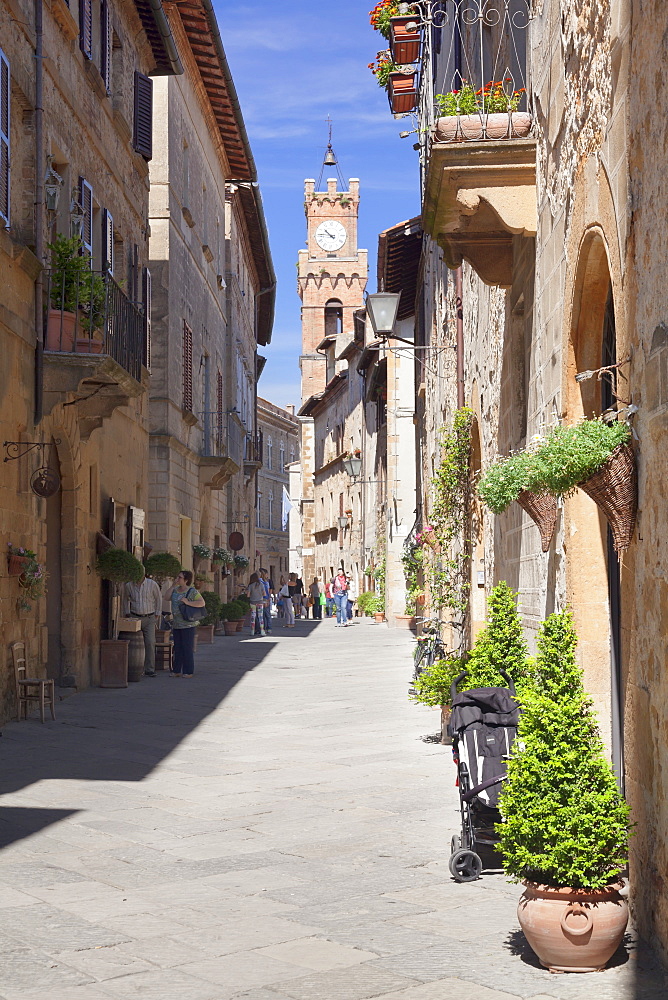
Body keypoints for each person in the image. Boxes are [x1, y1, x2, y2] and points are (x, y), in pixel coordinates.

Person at [164, 571, 205, 676]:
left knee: (187, 648)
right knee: (178, 648)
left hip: (188, 624)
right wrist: (173, 585)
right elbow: (166, 597)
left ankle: (188, 671)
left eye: (180, 577)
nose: (178, 579)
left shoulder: (192, 591)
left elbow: (201, 602)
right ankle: (176, 670)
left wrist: (188, 602)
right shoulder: (175, 590)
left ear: (186, 580)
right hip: (177, 624)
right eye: (177, 577)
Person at [123, 569, 162, 676]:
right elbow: (125, 599)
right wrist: (127, 613)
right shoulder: (129, 586)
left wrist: (157, 614)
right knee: (134, 643)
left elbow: (158, 599)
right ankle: (135, 667)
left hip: (149, 617)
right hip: (135, 616)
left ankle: (150, 669)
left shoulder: (152, 584)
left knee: (150, 642)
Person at [246, 573, 266, 637]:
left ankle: (252, 631)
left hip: (252, 602)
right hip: (260, 601)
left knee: (253, 616)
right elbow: (264, 594)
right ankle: (262, 631)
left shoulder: (251, 585)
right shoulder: (261, 584)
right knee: (260, 617)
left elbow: (248, 595)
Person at [259, 568, 273, 635]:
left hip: (261, 599)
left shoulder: (259, 581)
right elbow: (268, 591)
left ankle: (263, 628)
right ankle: (269, 628)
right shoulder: (266, 582)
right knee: (268, 615)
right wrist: (268, 599)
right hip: (266, 598)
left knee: (262, 615)